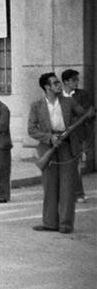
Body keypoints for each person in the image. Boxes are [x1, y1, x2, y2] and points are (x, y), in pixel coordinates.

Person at [28, 72, 89, 234]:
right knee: (50, 186)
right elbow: (31, 130)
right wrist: (50, 138)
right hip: (48, 147)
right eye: (55, 83)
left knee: (68, 187)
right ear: (47, 87)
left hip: (67, 146)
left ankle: (66, 225)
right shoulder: (36, 106)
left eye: (59, 83)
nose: (59, 85)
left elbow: (85, 114)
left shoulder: (69, 101)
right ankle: (49, 223)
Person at [61, 69, 93, 204]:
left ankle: (79, 193)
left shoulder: (83, 95)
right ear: (66, 82)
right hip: (61, 135)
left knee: (75, 165)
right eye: (74, 80)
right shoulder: (58, 96)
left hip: (77, 134)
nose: (77, 82)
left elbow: (87, 113)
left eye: (77, 79)